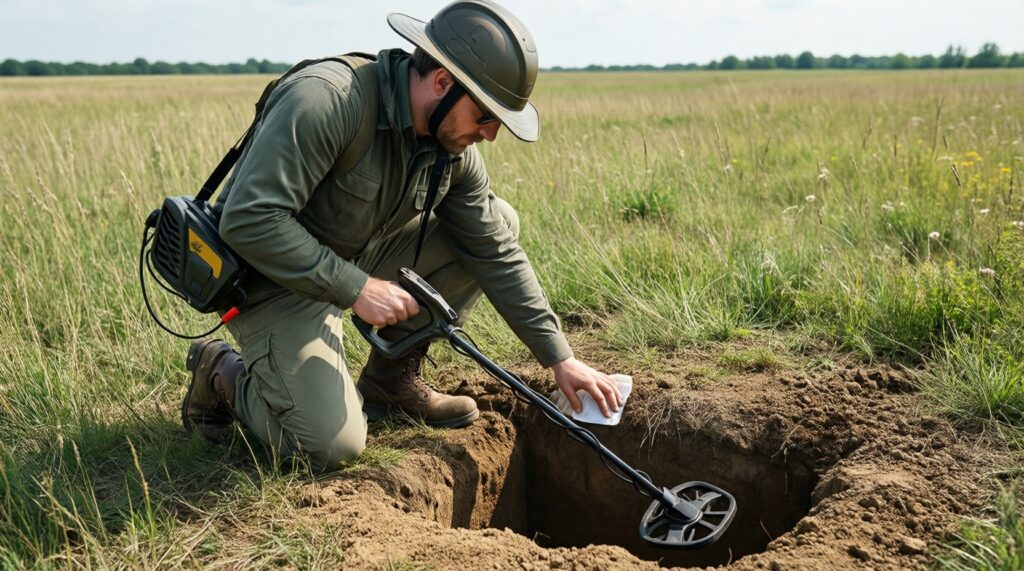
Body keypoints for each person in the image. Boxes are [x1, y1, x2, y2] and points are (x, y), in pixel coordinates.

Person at [180, 0, 622, 472]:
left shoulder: (451, 148)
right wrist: (356, 288)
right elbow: (249, 220)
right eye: (485, 115)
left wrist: (560, 358)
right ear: (443, 83)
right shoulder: (327, 100)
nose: (490, 134)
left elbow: (494, 249)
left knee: (500, 221)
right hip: (272, 281)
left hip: (354, 262)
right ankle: (222, 371)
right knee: (332, 448)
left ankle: (390, 382)